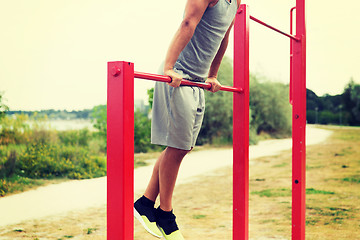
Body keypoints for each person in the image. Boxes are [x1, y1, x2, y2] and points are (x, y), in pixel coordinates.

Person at [134, 0, 240, 239]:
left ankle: (145, 203)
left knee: (184, 147)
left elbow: (223, 38)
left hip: (198, 80)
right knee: (178, 145)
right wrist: (170, 68)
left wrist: (213, 74)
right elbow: (188, 22)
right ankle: (165, 212)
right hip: (179, 74)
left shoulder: (236, 1)